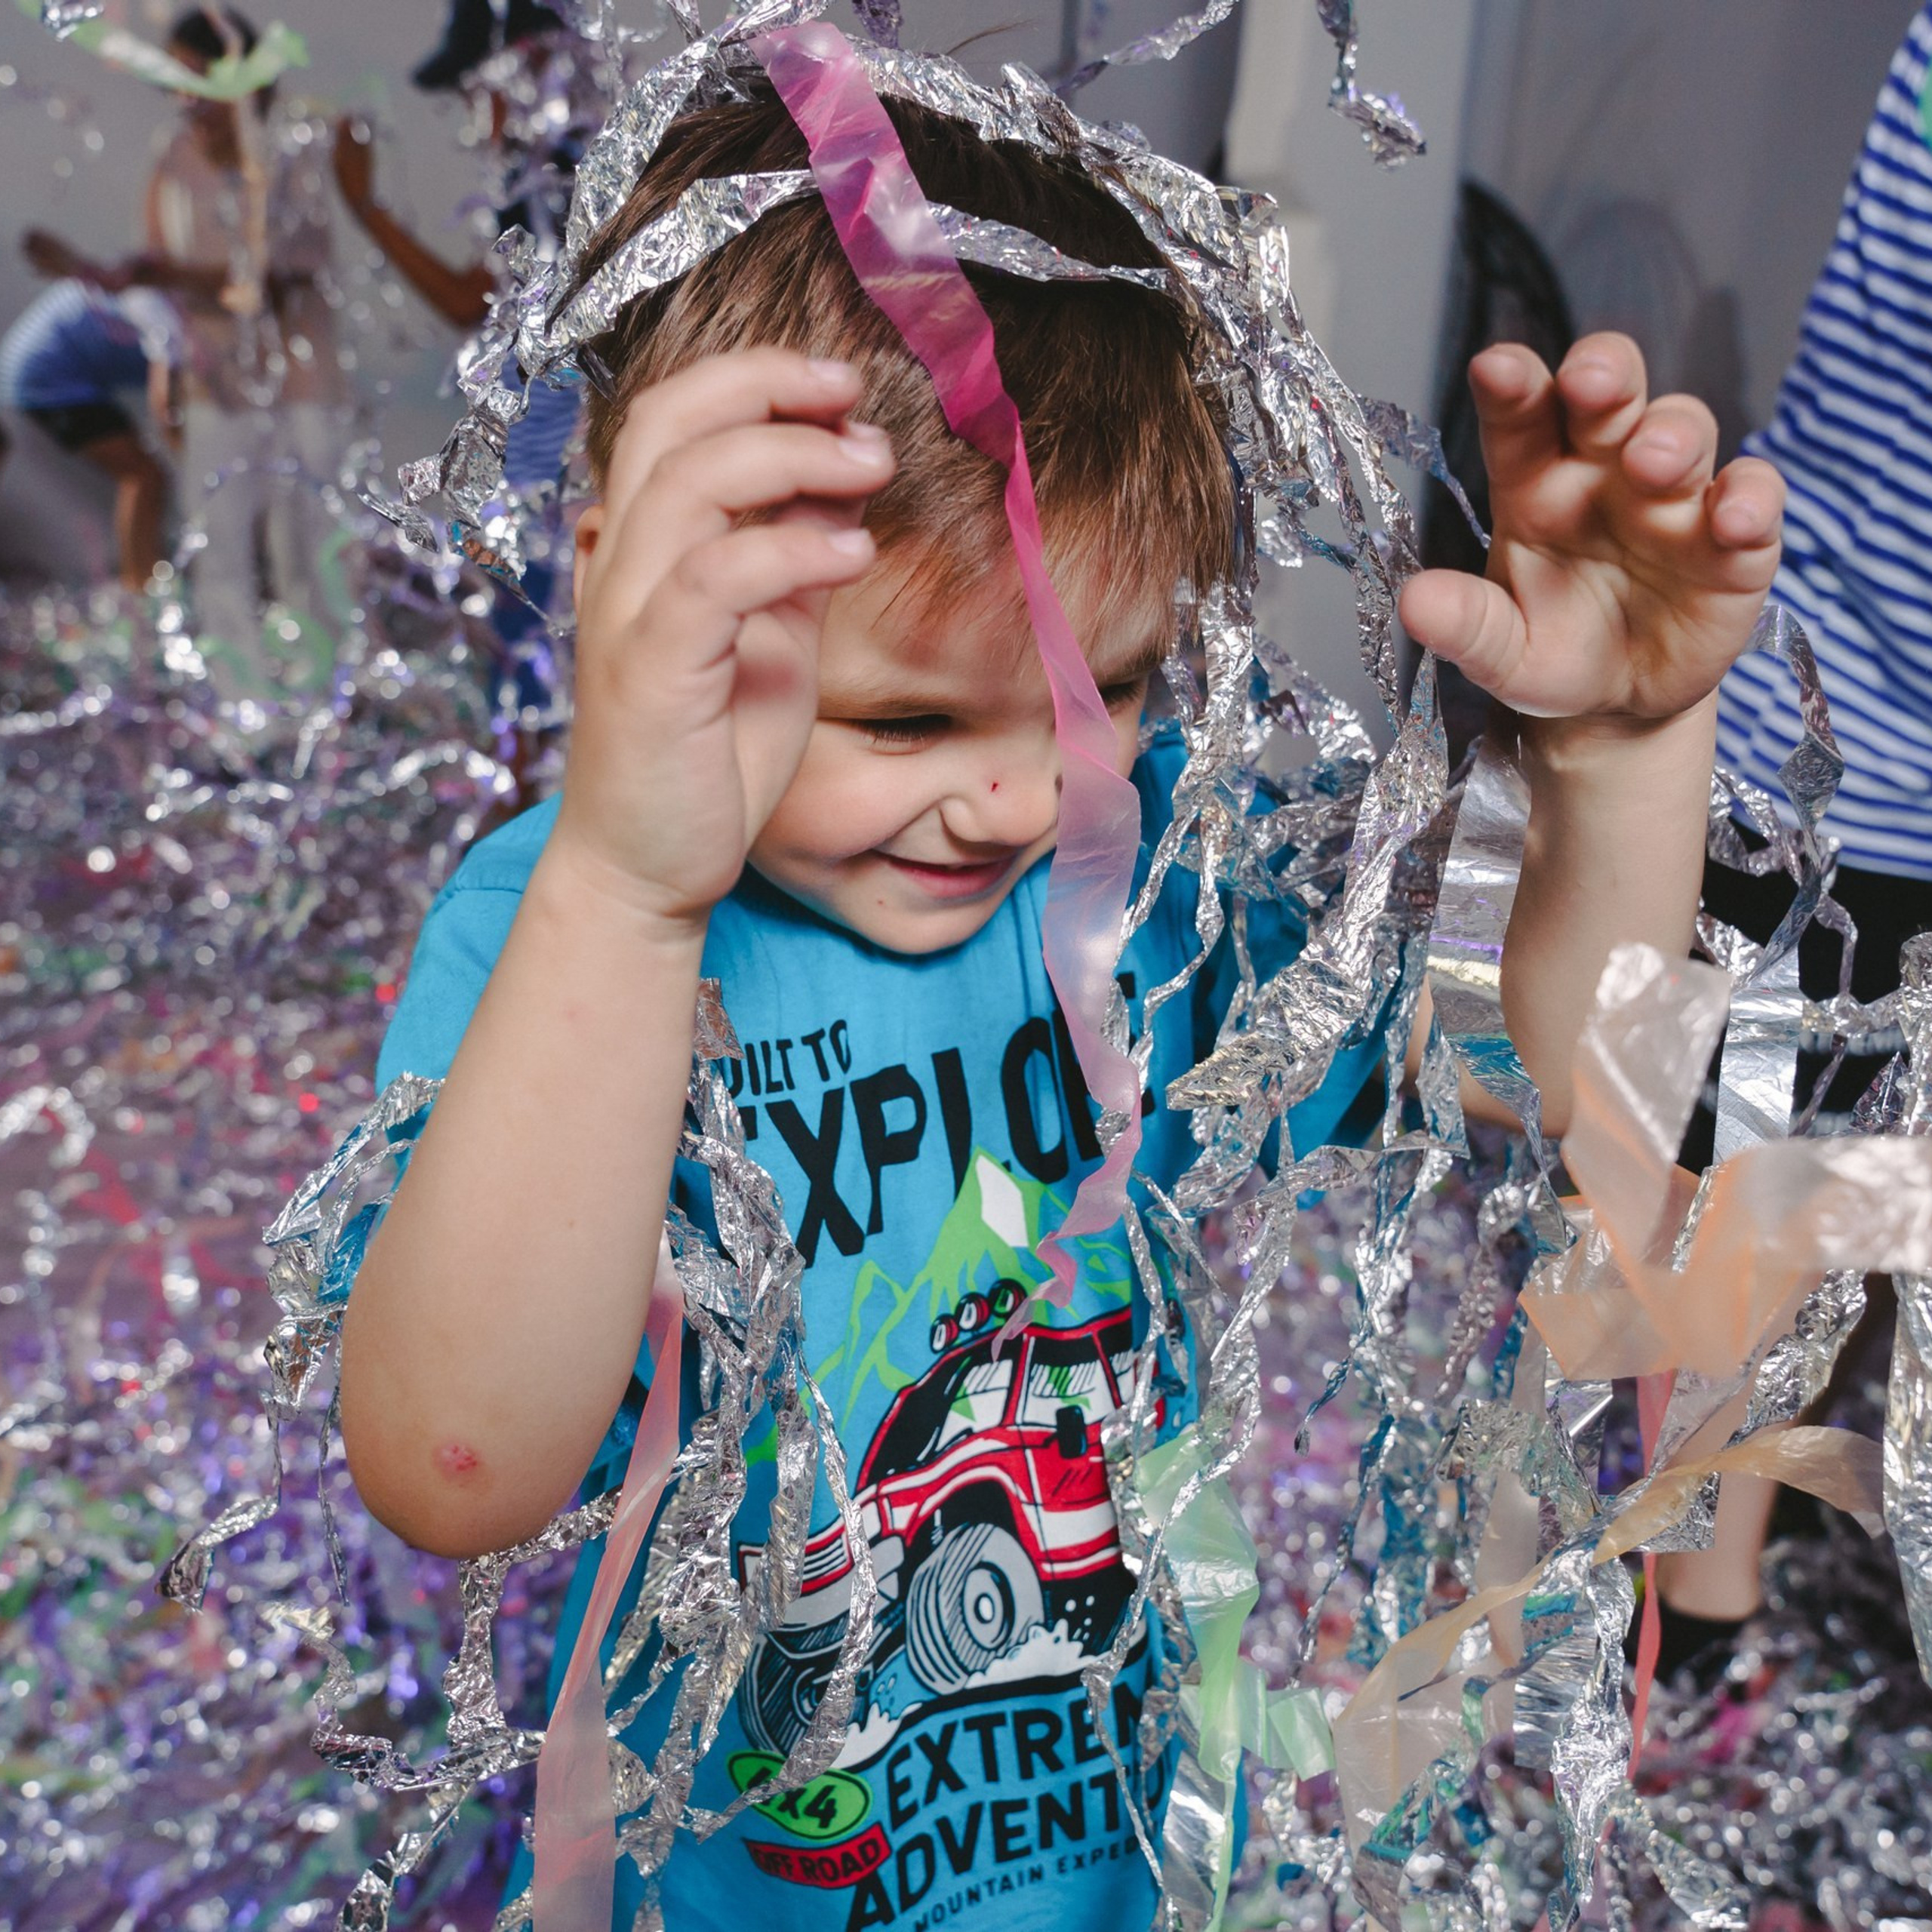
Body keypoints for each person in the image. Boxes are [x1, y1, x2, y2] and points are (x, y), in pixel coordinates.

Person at [335, 86, 1783, 1929]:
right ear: (641, 602)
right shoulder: (557, 932)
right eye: (904, 719)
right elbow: (453, 1470)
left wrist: (1625, 761)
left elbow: (1553, 1078)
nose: (1024, 796)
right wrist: (628, 885)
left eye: (1103, 690)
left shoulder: (1150, 862)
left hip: (1132, 1862)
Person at [1655, 3, 1932, 1668]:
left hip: (1812, 708)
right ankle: (1694, 1598)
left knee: (1788, 1185)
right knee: (1736, 1187)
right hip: (1819, 736)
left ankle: (1714, 1570)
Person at [29, 8, 348, 697]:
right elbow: (155, 274)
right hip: (214, 385)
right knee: (219, 553)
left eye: (197, 78)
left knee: (305, 550)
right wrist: (163, 363)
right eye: (174, 81)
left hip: (301, 385)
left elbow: (278, 280)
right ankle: (245, 708)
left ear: (246, 78)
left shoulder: (290, 151)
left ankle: (323, 699)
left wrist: (163, 277)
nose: (184, 98)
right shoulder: (172, 155)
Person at [0, 274, 176, 590]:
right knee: (142, 475)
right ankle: (141, 587)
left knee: (145, 473)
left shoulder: (152, 293)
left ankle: (143, 581)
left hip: (44, 370)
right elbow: (165, 404)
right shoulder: (164, 309)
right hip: (45, 378)